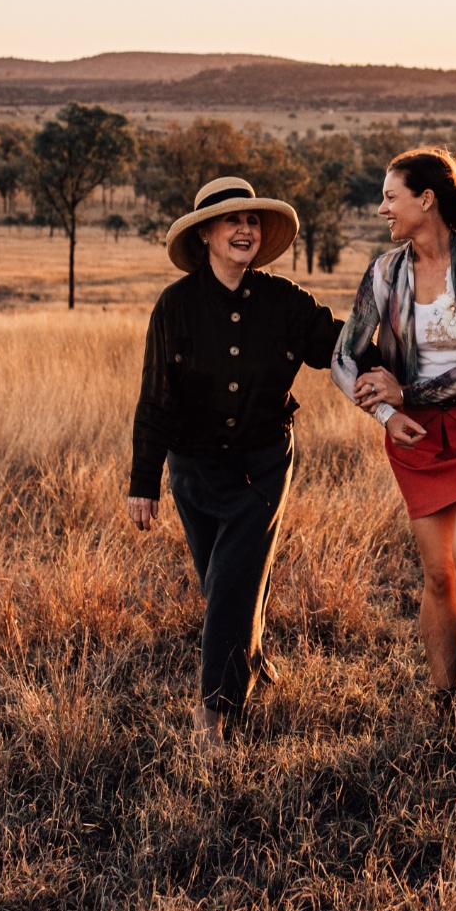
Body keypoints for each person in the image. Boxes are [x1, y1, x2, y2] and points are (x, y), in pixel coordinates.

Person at [128, 176, 343, 746]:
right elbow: (156, 397)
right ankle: (251, 654)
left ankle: (213, 714)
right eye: (231, 221)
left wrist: (396, 339)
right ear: (205, 236)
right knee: (220, 577)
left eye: (252, 221)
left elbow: (338, 346)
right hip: (194, 469)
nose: (245, 229)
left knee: (231, 581)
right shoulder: (175, 306)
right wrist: (143, 480)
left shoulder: (285, 303)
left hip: (262, 466)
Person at [333, 148, 456, 725]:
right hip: (416, 437)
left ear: (426, 200)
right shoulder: (384, 273)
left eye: (390, 197)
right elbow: (344, 358)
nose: (381, 208)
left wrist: (407, 393)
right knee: (439, 575)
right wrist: (386, 417)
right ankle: (443, 708)